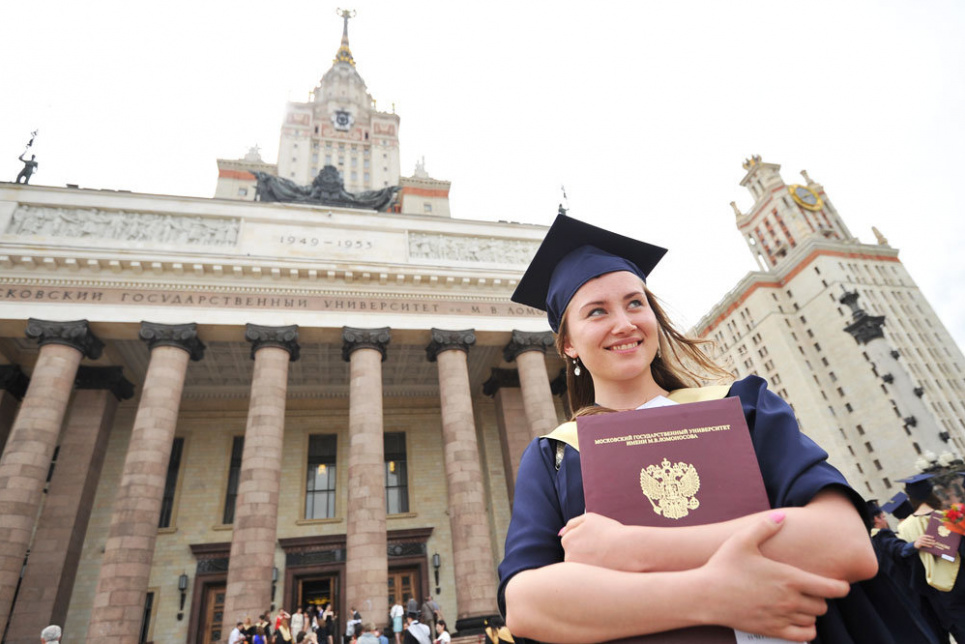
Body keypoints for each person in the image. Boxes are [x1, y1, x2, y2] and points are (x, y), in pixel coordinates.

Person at [497, 214, 878, 643]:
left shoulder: (741, 406)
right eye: (597, 311)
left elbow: (846, 543)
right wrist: (710, 594)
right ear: (568, 344)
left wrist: (633, 549)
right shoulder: (556, 455)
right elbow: (525, 605)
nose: (624, 323)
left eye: (635, 303)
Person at [897, 473, 965, 642]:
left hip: (935, 588)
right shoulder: (950, 515)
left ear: (910, 497)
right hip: (960, 579)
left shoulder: (903, 527)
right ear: (931, 492)